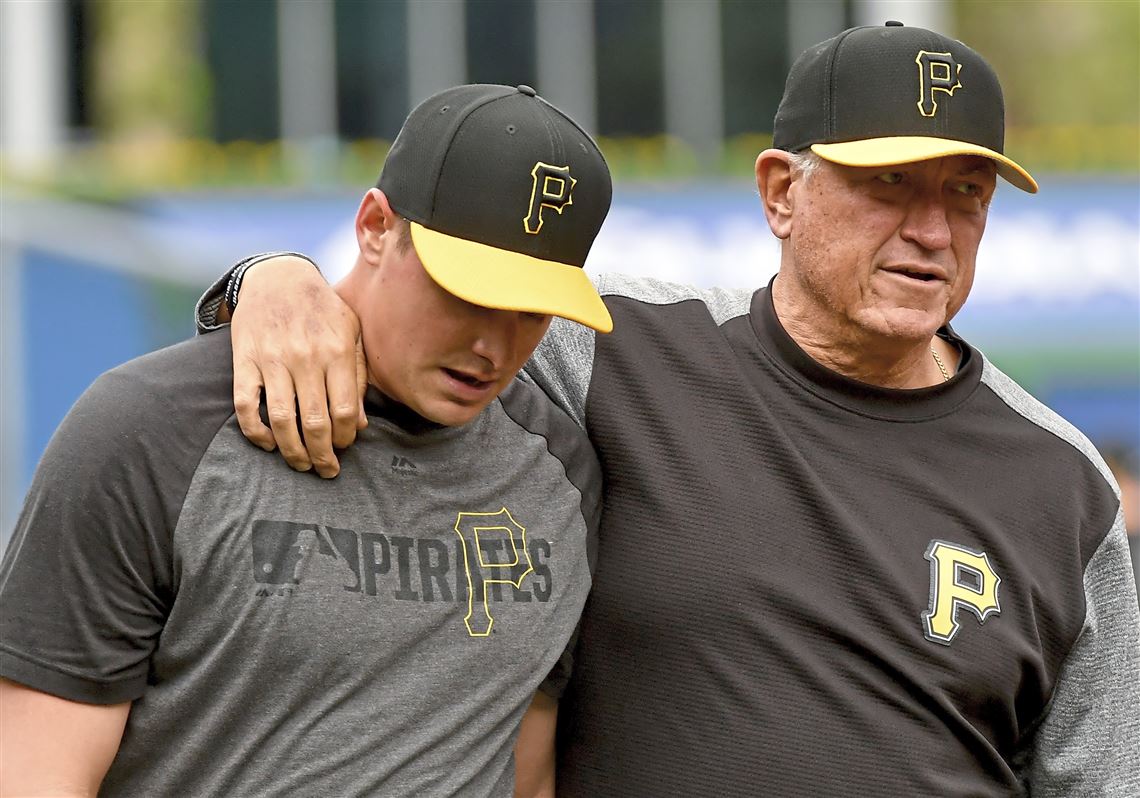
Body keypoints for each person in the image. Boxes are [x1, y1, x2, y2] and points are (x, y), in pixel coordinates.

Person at [181, 22, 1140, 796]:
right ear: (780, 193)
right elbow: (401, 308)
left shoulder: (1063, 484)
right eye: (886, 184)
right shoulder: (617, 355)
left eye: (965, 195)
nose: (930, 231)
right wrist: (269, 279)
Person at [0, 83, 615, 797]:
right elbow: (34, 775)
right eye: (467, 294)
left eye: (532, 311)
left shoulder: (562, 469)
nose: (493, 344)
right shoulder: (150, 430)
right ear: (376, 226)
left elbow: (526, 775)